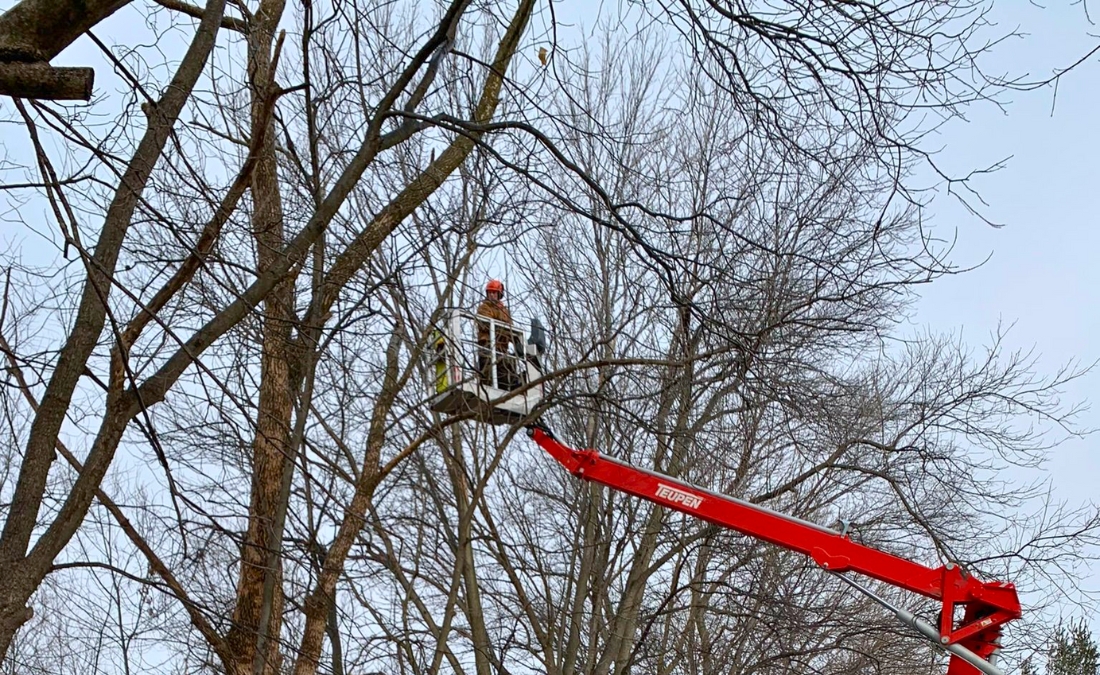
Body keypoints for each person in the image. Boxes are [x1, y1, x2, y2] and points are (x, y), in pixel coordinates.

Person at [475, 279, 517, 388]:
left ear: (499, 295)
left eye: (494, 292)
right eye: (490, 292)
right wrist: (502, 326)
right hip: (487, 345)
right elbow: (485, 324)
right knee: (488, 374)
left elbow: (511, 329)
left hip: (502, 348)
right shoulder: (484, 307)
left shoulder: (505, 311)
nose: (492, 295)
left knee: (507, 370)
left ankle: (510, 387)